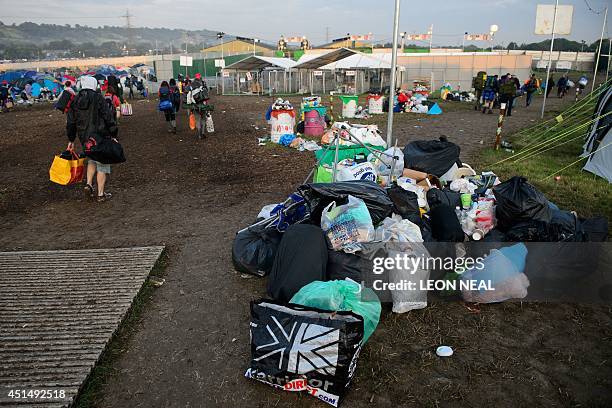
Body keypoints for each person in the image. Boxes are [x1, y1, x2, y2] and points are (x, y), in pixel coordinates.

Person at [66, 75, 118, 202]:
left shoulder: (75, 100)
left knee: (92, 159)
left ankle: (88, 184)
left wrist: (71, 139)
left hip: (85, 137)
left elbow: (70, 122)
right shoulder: (98, 98)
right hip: (100, 136)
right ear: (94, 84)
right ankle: (100, 194)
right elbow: (108, 116)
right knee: (103, 163)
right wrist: (113, 134)